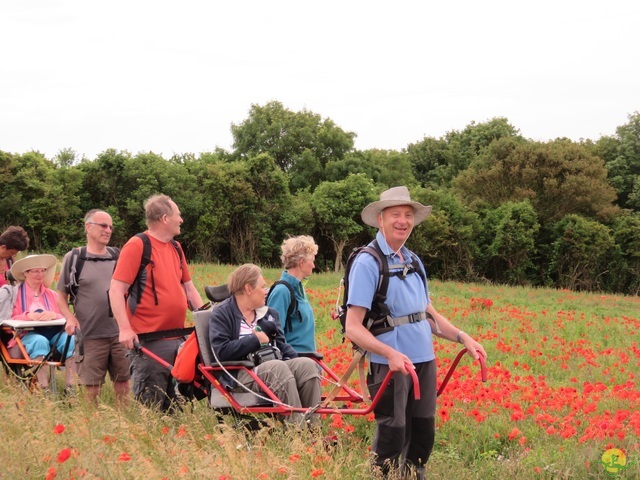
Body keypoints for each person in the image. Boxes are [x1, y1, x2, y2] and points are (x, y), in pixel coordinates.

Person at [344, 186, 487, 479]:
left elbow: (429, 315)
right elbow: (353, 327)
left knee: (423, 431)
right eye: (396, 214)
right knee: (393, 432)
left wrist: (463, 337)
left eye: (408, 215)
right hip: (390, 365)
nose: (403, 221)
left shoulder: (413, 261)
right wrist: (389, 353)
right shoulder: (369, 263)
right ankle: (381, 476)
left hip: (423, 360)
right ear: (381, 219)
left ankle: (413, 475)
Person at [109, 194, 203, 411]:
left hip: (178, 340)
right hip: (149, 343)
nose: (181, 220)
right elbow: (116, 289)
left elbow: (189, 289)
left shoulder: (176, 248)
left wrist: (207, 319)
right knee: (151, 408)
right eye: (178, 215)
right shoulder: (137, 245)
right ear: (164, 218)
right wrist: (124, 328)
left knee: (175, 408)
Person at [209, 263, 321, 427]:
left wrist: (295, 358)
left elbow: (282, 345)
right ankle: (297, 432)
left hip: (271, 364)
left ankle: (314, 430)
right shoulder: (223, 314)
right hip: (241, 372)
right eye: (262, 287)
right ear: (248, 289)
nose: (266, 291)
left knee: (307, 366)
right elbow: (221, 352)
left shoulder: (268, 314)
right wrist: (255, 341)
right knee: (277, 368)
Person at [57, 210, 130, 406]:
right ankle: (92, 426)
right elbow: (61, 295)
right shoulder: (74, 258)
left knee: (123, 383)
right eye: (103, 225)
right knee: (92, 388)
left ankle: (123, 424)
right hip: (89, 334)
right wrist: (70, 319)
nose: (108, 230)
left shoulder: (118, 256)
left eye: (110, 227)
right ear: (88, 227)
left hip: (120, 333)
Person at [6, 254, 77, 391]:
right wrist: (28, 316)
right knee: (39, 341)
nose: (40, 274)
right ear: (25, 273)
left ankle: (71, 388)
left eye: (43, 270)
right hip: (27, 335)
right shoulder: (15, 295)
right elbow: (7, 319)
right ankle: (44, 389)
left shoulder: (52, 295)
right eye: (36, 271)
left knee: (71, 340)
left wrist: (54, 314)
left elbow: (65, 315)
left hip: (54, 333)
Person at [266, 235, 318, 352]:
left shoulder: (300, 289)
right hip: (294, 363)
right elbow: (273, 336)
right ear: (302, 262)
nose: (314, 265)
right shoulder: (282, 292)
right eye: (312, 261)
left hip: (309, 361)